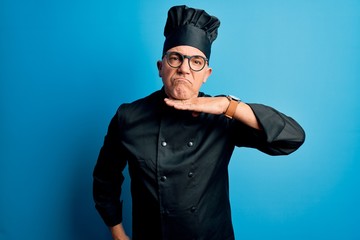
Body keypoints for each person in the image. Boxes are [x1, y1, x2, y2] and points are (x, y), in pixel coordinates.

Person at [93, 5, 305, 240]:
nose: (184, 68)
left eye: (196, 62)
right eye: (175, 58)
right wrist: (118, 234)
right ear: (160, 68)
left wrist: (227, 106)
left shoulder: (223, 117)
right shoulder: (128, 117)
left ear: (207, 74)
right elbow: (105, 180)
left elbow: (292, 137)